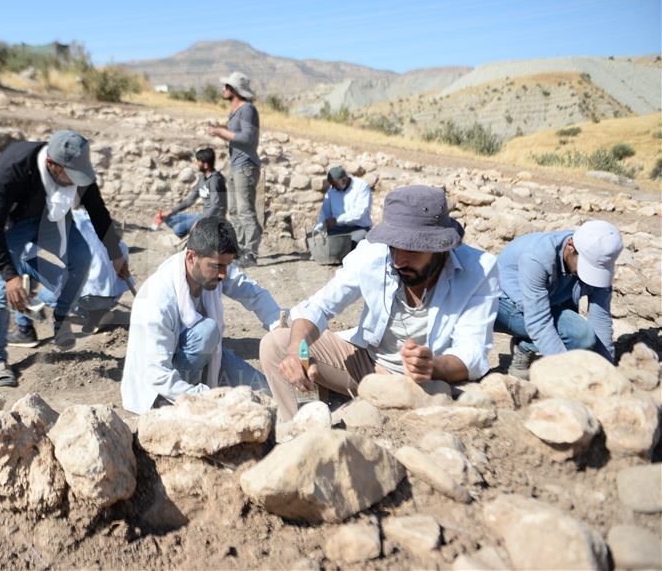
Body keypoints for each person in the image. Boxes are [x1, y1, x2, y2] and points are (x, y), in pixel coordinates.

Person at [259, 185, 500, 424]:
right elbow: (319, 306)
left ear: (439, 247)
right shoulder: (373, 254)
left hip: (427, 381)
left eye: (410, 249)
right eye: (394, 246)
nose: (398, 261)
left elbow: (473, 352)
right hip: (370, 364)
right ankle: (301, 434)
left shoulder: (479, 271)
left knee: (436, 397)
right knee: (277, 344)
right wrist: (295, 351)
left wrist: (433, 366)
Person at [0, 129, 129, 388]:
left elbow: (97, 210)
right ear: (52, 165)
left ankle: (60, 317)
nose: (76, 181)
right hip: (11, 224)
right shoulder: (14, 169)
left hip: (52, 216)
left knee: (81, 257)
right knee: (2, 293)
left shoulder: (78, 168)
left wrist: (115, 254)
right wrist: (10, 275)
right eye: (71, 176)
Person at [121, 217, 283, 415]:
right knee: (207, 332)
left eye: (227, 266)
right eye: (217, 266)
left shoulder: (214, 269)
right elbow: (157, 374)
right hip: (159, 386)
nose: (224, 274)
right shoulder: (158, 300)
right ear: (191, 257)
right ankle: (170, 405)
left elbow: (253, 293)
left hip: (207, 359)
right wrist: (206, 398)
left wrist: (280, 327)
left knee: (267, 394)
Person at [493, 220, 622, 378]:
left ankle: (528, 344)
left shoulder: (597, 253)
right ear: (570, 246)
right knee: (580, 335)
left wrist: (607, 371)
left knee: (583, 338)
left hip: (548, 298)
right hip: (505, 305)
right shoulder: (536, 257)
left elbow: (600, 318)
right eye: (586, 267)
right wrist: (566, 375)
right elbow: (538, 321)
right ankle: (526, 347)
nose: (588, 275)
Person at [32, 208, 133, 334]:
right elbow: (121, 250)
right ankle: (99, 311)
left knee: (45, 296)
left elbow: (27, 253)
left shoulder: (58, 227)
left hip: (92, 297)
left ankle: (92, 313)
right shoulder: (91, 218)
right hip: (114, 295)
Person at [208, 71, 262, 267]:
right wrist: (221, 127)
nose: (223, 89)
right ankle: (239, 249)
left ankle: (251, 252)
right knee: (233, 210)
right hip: (236, 165)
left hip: (246, 165)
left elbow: (247, 138)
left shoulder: (248, 109)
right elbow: (237, 132)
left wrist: (220, 131)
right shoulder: (237, 110)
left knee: (245, 210)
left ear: (234, 90)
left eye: (226, 86)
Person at [155, 147, 228, 238]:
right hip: (203, 215)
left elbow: (216, 206)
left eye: (198, 162)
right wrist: (171, 211)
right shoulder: (202, 178)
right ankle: (198, 234)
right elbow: (190, 200)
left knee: (178, 229)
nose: (196, 164)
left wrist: (201, 221)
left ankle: (203, 238)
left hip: (213, 219)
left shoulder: (215, 180)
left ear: (205, 165)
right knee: (169, 219)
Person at [314, 166, 373, 245]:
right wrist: (317, 229)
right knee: (327, 245)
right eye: (332, 185)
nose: (333, 188)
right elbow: (325, 213)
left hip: (359, 228)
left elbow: (359, 212)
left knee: (350, 245)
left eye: (335, 185)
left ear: (344, 180)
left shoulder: (361, 186)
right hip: (338, 228)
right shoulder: (332, 190)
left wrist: (336, 220)